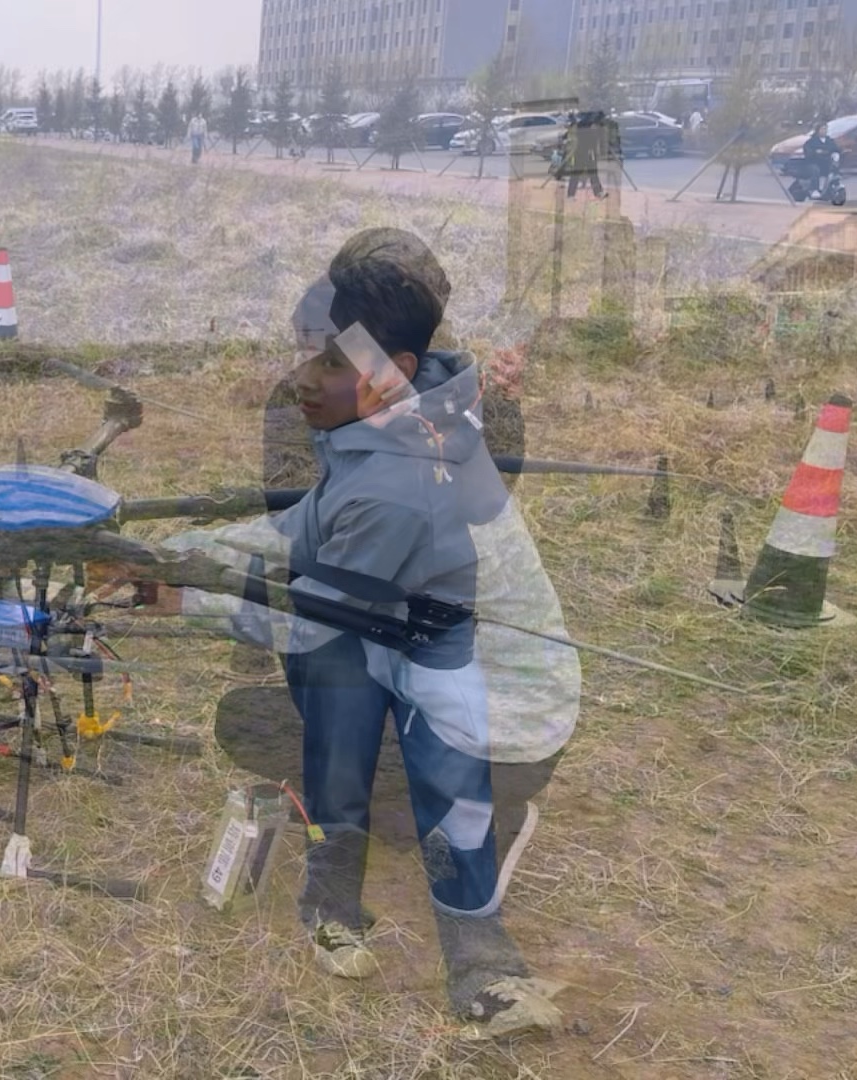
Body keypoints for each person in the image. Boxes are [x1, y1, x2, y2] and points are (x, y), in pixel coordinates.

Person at [105, 229, 580, 1036]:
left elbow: (307, 612)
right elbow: (295, 532)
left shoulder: (403, 478)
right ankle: (344, 877)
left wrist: (174, 595)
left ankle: (475, 946)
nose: (304, 375)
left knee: (323, 672)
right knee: (332, 674)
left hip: (496, 722)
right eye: (308, 352)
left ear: (386, 364)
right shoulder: (402, 416)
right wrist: (168, 556)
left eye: (326, 357)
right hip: (423, 661)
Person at [561, 110, 608, 199]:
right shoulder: (587, 127)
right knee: (580, 173)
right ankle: (572, 194)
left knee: (590, 173)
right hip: (584, 152)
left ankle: (597, 192)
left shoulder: (586, 126)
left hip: (586, 151)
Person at [800, 121, 841, 198]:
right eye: (822, 129)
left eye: (825, 129)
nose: (824, 131)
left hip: (826, 162)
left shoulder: (830, 141)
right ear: (817, 130)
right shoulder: (811, 142)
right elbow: (808, 153)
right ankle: (814, 189)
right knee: (815, 170)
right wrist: (816, 152)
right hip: (813, 162)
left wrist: (835, 154)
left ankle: (831, 187)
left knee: (833, 170)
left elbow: (836, 149)